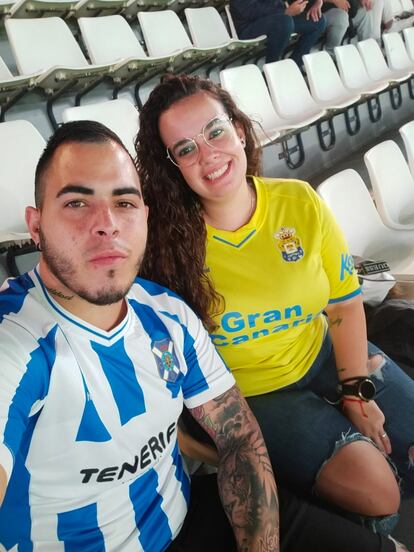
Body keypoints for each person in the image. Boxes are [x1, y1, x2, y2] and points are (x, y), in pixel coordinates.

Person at [135, 74, 414, 539]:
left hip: (322, 354)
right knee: (379, 495)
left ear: (239, 129)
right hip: (256, 395)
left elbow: (344, 304)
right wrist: (197, 435)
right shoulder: (164, 247)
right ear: (174, 166)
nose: (208, 155)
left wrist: (355, 391)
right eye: (185, 149)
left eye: (215, 131)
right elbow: (161, 350)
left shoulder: (299, 202)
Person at [0, 120, 279, 551]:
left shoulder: (167, 315)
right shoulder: (15, 338)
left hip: (186, 521)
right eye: (76, 203)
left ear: (144, 217)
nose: (107, 224)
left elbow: (239, 437)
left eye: (125, 202)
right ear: (35, 227)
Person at [229, 0, 326, 66]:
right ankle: (272, 67)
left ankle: (295, 64)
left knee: (318, 21)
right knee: (284, 22)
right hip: (248, 27)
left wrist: (317, 2)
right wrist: (285, 11)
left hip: (279, 18)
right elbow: (250, 11)